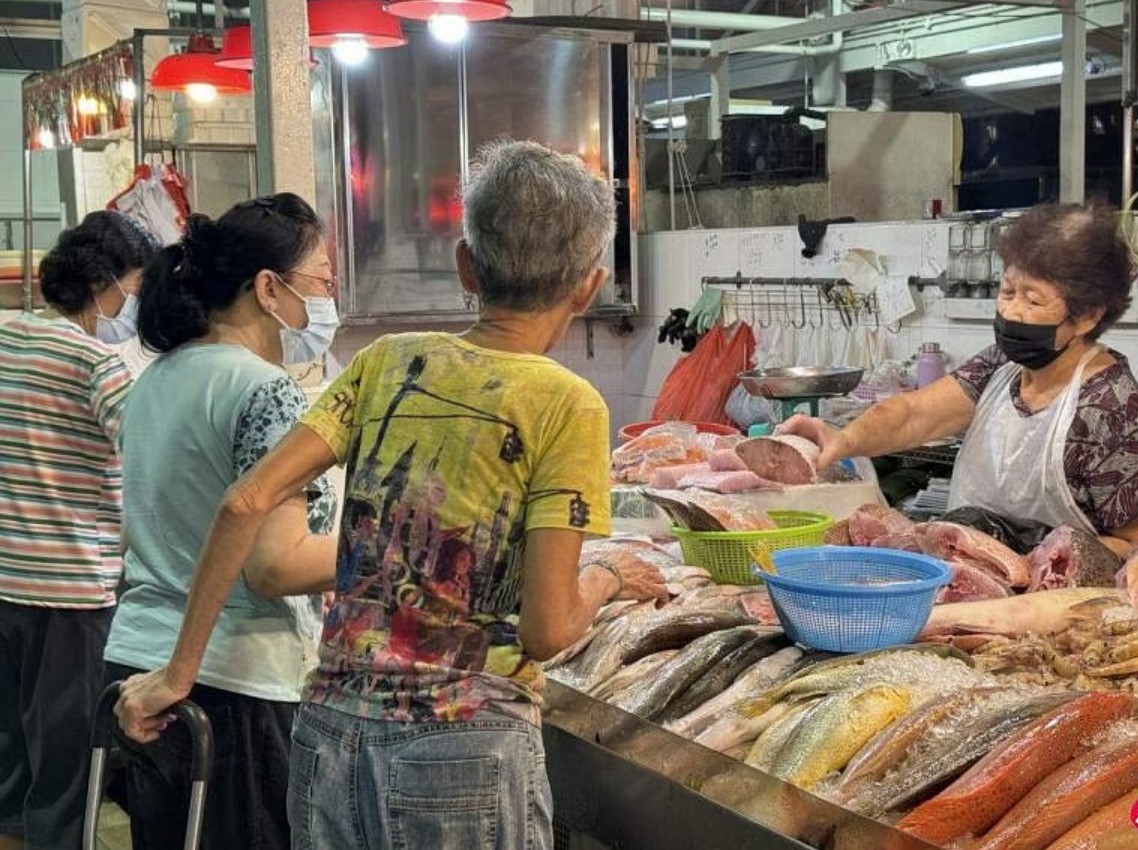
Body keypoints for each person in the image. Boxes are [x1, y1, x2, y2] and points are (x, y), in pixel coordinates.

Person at [115, 140, 668, 849]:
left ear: (466, 265)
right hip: (463, 747)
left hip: (329, 735)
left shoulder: (386, 363)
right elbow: (547, 629)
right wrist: (610, 575)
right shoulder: (568, 404)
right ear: (589, 287)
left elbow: (244, 502)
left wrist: (175, 673)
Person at [102, 194, 340, 850]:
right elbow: (274, 565)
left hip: (137, 664)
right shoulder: (266, 390)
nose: (326, 297)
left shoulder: (157, 378)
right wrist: (391, 552)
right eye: (322, 280)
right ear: (269, 288)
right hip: (230, 683)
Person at [782, 203, 1138, 558]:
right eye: (1007, 291)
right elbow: (914, 414)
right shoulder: (1002, 365)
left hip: (1054, 608)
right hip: (972, 577)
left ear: (1088, 316)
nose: (1011, 310)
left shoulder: (1110, 406)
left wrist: (1042, 564)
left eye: (1033, 299)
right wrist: (843, 439)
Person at [0, 211, 156, 850]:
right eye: (133, 287)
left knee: (10, 762)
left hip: (5, 581)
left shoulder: (6, 341)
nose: (133, 304)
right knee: (67, 770)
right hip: (70, 595)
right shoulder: (99, 366)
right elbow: (151, 461)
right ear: (102, 283)